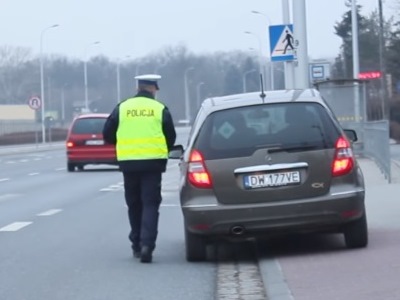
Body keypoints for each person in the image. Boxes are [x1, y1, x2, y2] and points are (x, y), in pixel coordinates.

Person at [103, 74, 176, 263]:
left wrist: (123, 143)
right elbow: (171, 137)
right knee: (150, 204)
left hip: (129, 163)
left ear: (138, 88)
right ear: (153, 89)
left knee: (134, 204)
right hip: (153, 164)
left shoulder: (123, 107)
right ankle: (147, 245)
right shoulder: (160, 109)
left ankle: (136, 244)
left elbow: (108, 134)